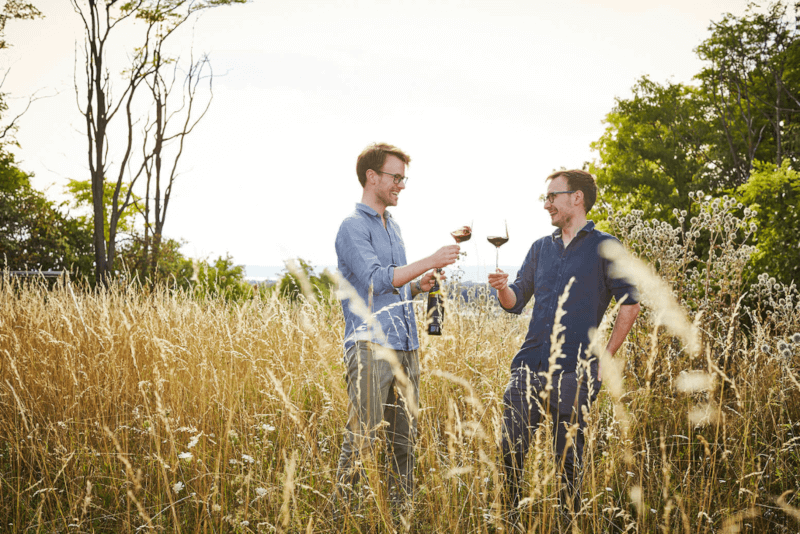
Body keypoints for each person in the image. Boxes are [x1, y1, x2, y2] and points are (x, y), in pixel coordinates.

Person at [488, 169, 640, 525]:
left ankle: (565, 526)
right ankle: (507, 524)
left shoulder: (606, 246)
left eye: (552, 196)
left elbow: (630, 303)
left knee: (568, 468)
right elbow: (515, 302)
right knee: (509, 454)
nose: (546, 205)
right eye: (545, 198)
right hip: (527, 368)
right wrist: (501, 288)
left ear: (577, 198)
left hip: (575, 372)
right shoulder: (541, 247)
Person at [333, 142, 460, 523]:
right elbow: (374, 281)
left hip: (406, 346)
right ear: (372, 177)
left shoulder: (395, 227)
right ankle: (339, 519)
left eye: (404, 178)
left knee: (404, 444)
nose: (401, 185)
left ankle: (400, 519)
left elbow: (395, 286)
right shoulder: (352, 227)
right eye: (395, 177)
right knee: (362, 441)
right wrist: (433, 258)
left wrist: (421, 283)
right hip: (371, 346)